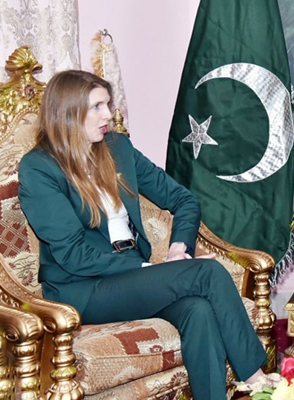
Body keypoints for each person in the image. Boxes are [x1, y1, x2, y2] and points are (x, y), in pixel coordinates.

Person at [18, 70, 267, 400]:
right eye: (97, 107)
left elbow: (184, 200)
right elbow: (73, 254)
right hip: (82, 289)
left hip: (130, 277)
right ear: (67, 111)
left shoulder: (117, 148)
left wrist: (179, 248)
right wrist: (148, 270)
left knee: (198, 310)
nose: (108, 115)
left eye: (108, 104)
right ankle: (257, 378)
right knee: (207, 272)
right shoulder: (39, 168)